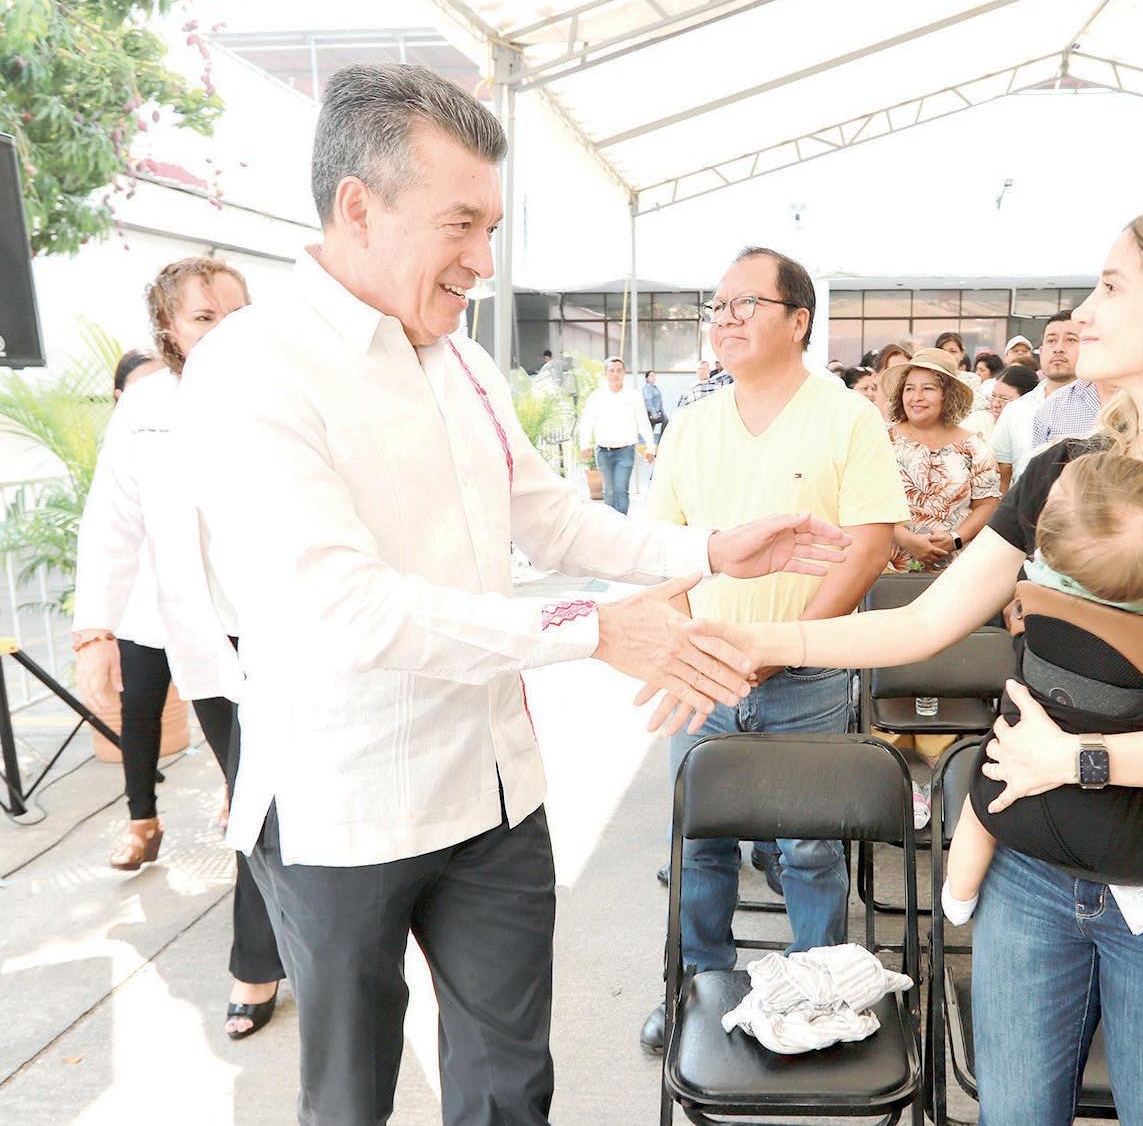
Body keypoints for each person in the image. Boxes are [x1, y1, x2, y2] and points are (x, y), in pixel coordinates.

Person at [175, 64, 858, 1126]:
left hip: (492, 793)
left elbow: (550, 519)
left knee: (509, 1084)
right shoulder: (252, 368)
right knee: (349, 1095)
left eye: (491, 229)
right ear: (358, 206)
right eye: (461, 225)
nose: (484, 263)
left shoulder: (462, 364)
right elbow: (348, 607)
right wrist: (591, 628)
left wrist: (714, 547)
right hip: (343, 800)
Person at [676, 202, 1143, 1126]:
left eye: (1111, 286)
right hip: (1034, 868)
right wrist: (760, 641)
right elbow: (925, 620)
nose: (1082, 311)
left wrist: (1080, 759)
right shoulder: (1063, 470)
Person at [637, 244, 908, 1056]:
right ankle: (695, 988)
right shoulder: (692, 424)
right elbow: (662, 548)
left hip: (807, 676)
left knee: (811, 847)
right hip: (706, 672)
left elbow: (870, 545)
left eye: (743, 303)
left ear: (798, 320)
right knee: (699, 845)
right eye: (716, 305)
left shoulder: (846, 417)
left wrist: (786, 647)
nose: (723, 319)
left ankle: (821, 991)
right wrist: (691, 643)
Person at [943, 453, 1143, 1026]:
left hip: (1016, 780)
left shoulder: (1041, 574)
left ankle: (958, 893)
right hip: (1126, 804)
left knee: (979, 799)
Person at [73, 257, 286, 1040]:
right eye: (204, 317)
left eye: (237, 312)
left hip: (292, 628)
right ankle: (285, 949)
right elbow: (112, 520)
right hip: (205, 635)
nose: (226, 329)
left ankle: (257, 962)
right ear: (168, 328)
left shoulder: (287, 385)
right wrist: (94, 630)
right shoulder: (146, 405)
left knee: (268, 796)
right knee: (257, 798)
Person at [882, 347, 1000, 573]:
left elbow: (987, 504)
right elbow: (865, 501)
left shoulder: (974, 446)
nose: (916, 397)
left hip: (955, 571)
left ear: (948, 394)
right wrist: (907, 539)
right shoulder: (882, 440)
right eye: (909, 388)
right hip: (888, 568)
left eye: (928, 388)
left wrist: (955, 538)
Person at [994, 312, 1081, 490]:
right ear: (1041, 352)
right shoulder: (1016, 409)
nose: (1058, 348)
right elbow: (1002, 474)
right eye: (1051, 341)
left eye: (1070, 340)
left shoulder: (1104, 408)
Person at [578, 355, 656, 514]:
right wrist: (584, 444)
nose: (615, 374)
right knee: (609, 492)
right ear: (605, 373)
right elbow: (587, 421)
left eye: (619, 370)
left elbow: (643, 422)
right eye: (611, 370)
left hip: (625, 451)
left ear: (624, 373)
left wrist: (650, 447)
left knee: (621, 491)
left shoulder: (634, 395)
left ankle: (622, 525)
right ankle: (611, 526)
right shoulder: (597, 396)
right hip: (603, 452)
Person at [643, 368, 667, 443]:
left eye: (654, 375)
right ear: (647, 378)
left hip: (658, 412)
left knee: (666, 421)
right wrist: (653, 413)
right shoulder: (647, 388)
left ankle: (661, 442)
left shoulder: (655, 387)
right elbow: (648, 402)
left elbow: (659, 401)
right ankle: (650, 446)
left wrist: (662, 411)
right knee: (650, 431)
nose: (653, 377)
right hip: (651, 413)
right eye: (651, 376)